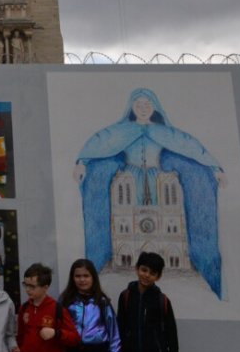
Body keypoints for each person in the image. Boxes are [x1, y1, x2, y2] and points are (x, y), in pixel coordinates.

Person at [74, 88, 225, 296]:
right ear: (131, 107)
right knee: (124, 213)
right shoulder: (120, 130)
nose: (143, 109)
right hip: (129, 182)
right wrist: (82, 162)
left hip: (157, 181)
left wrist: (215, 168)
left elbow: (189, 145)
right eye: (139, 105)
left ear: (154, 107)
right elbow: (99, 142)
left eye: (147, 105)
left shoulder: (165, 131)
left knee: (168, 206)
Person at [116, 253, 179, 352]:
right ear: (137, 269)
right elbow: (120, 329)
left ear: (159, 276)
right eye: (144, 270)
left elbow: (172, 335)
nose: (147, 275)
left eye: (152, 273)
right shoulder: (125, 296)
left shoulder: (162, 301)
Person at [15, 263, 81, 352]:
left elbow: (75, 338)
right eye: (25, 285)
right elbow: (21, 338)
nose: (27, 290)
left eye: (32, 286)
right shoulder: (24, 308)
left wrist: (56, 333)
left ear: (45, 287)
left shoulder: (58, 309)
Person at [59, 259, 122, 352]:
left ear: (93, 277)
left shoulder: (102, 302)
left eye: (86, 276)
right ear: (72, 278)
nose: (82, 280)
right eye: (78, 276)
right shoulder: (65, 301)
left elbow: (114, 335)